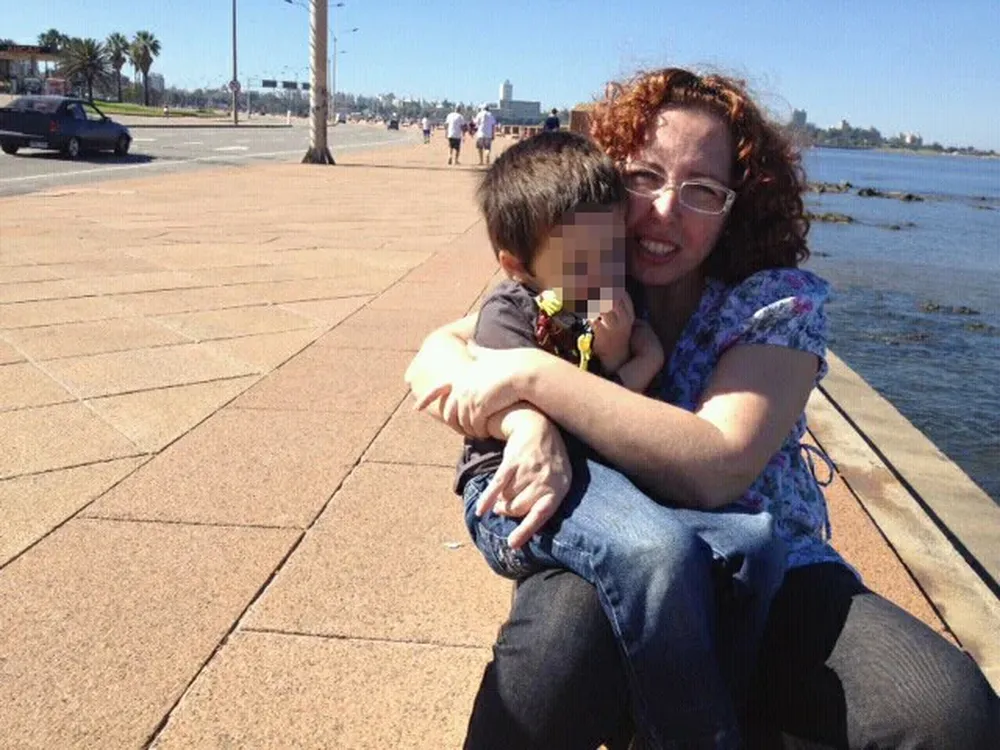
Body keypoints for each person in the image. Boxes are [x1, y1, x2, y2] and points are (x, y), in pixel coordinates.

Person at [406, 67, 999, 749]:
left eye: (701, 190)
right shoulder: (590, 274)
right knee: (555, 651)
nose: (664, 211)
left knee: (948, 712)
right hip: (624, 558)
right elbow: (445, 352)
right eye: (643, 178)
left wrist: (535, 379)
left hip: (767, 566)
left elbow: (718, 465)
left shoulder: (771, 304)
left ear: (736, 205)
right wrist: (521, 413)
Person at [441, 129, 786, 747]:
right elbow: (492, 397)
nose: (602, 271)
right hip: (513, 497)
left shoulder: (611, 301)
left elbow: (620, 400)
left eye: (611, 251)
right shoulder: (511, 312)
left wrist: (626, 353)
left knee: (755, 545)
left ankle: (696, 701)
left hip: (595, 481)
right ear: (516, 263)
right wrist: (535, 415)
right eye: (583, 259)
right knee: (657, 553)